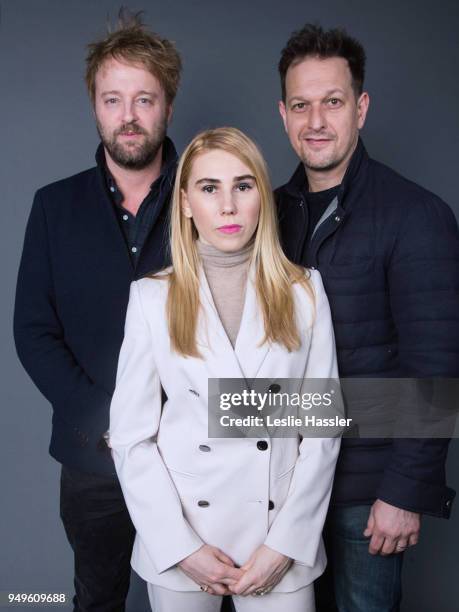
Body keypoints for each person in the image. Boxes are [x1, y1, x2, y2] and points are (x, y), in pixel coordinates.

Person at [109, 127, 341, 612]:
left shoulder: (305, 292)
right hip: (184, 537)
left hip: (279, 537)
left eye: (244, 185)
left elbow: (321, 431)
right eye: (209, 188)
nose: (228, 206)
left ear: (262, 195)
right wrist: (181, 548)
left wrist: (285, 545)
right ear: (187, 203)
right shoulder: (152, 298)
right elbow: (131, 437)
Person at [275, 24, 459, 612]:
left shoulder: (416, 215)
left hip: (366, 495)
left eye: (332, 102)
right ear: (283, 114)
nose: (316, 121)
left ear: (361, 108)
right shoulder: (264, 217)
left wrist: (405, 491)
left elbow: (436, 366)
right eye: (301, 105)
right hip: (281, 485)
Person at [13, 11, 181, 611]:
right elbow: (33, 330)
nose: (128, 115)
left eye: (144, 99)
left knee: (204, 599)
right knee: (97, 599)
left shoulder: (210, 195)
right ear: (94, 105)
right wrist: (107, 418)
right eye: (113, 99)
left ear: (167, 105)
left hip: (193, 455)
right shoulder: (54, 207)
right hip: (93, 453)